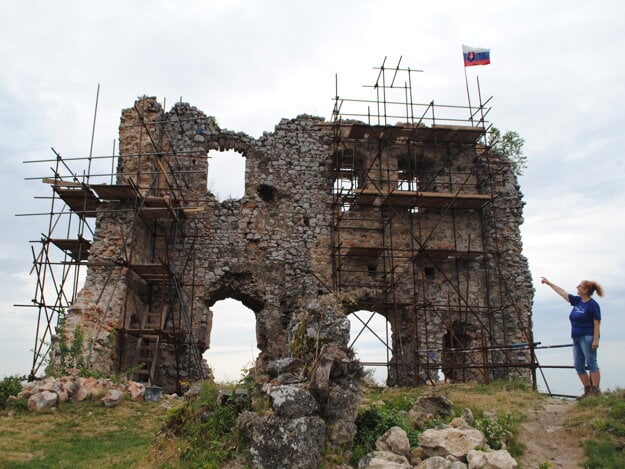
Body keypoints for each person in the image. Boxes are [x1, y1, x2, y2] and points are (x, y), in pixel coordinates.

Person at [541, 277, 603, 398]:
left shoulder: (592, 305)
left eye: (579, 286)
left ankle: (595, 391)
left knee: (591, 363)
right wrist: (549, 283)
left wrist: (596, 339)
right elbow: (563, 293)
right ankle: (588, 390)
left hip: (588, 336)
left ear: (585, 290)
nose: (577, 287)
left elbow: (597, 322)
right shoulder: (577, 301)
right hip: (576, 337)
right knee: (578, 365)